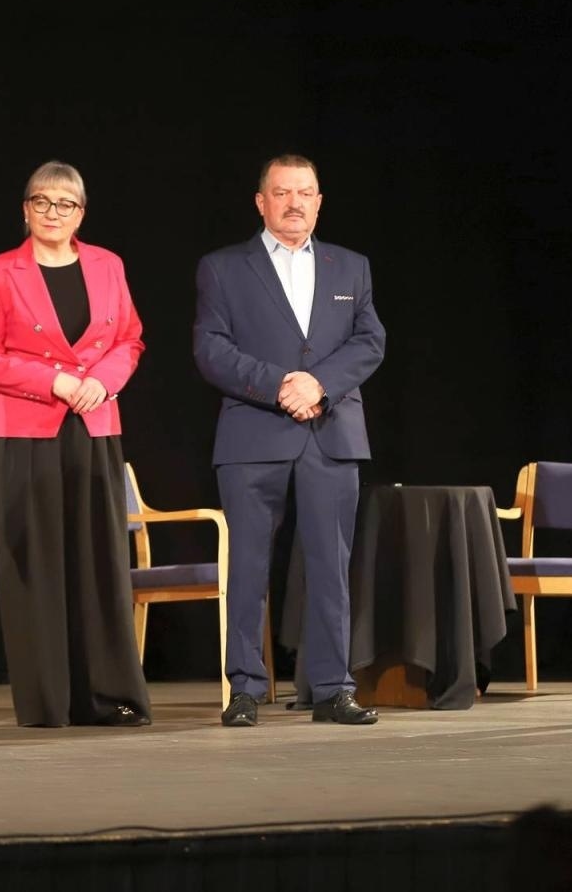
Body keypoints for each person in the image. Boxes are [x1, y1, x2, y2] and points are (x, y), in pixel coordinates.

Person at [194, 154, 386, 727]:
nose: (295, 203)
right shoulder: (223, 268)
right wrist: (279, 385)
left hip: (330, 433)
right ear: (262, 201)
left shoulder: (351, 267)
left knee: (331, 566)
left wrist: (318, 385)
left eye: (305, 192)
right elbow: (210, 348)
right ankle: (247, 689)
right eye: (282, 193)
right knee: (249, 567)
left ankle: (331, 689)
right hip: (254, 435)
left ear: (320, 200)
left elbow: (370, 341)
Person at [0, 161, 151, 727]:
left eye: (65, 204)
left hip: (94, 426)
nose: (52, 213)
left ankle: (108, 696)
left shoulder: (107, 264)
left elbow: (130, 339)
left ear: (81, 214)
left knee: (99, 565)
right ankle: (49, 702)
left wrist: (101, 380)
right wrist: (55, 382)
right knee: (37, 565)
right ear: (25, 209)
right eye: (42, 202)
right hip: (26, 430)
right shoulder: (0, 272)